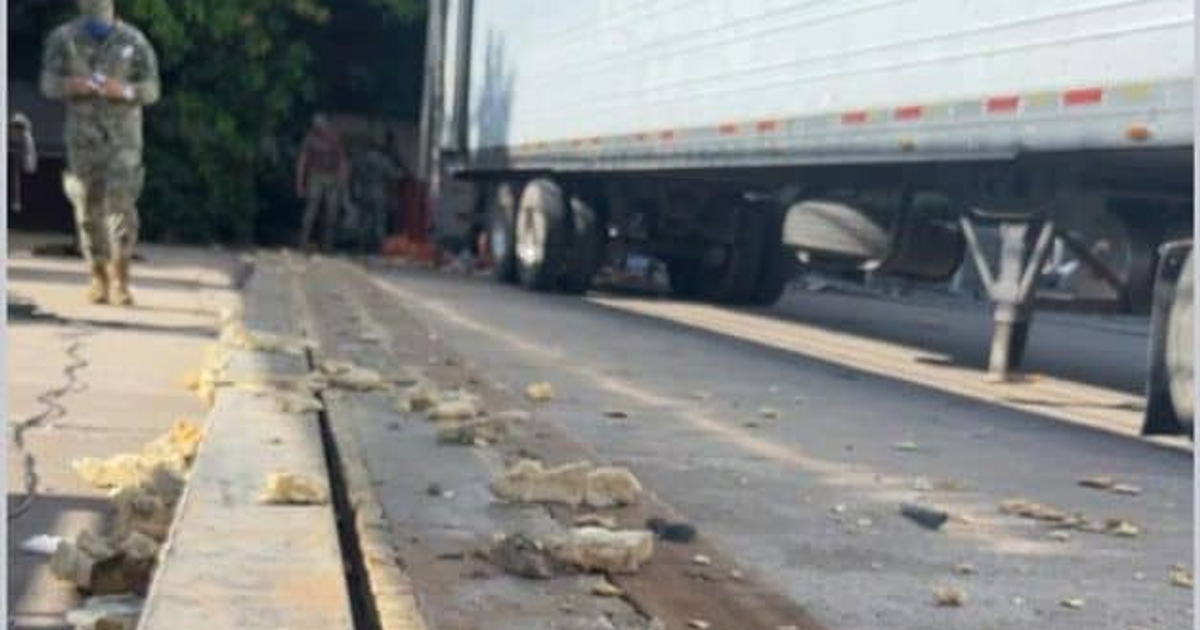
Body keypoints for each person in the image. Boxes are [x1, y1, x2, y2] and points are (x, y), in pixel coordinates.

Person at [40, 0, 160, 305]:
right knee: (87, 207)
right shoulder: (63, 39)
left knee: (121, 204)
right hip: (83, 139)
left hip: (124, 140)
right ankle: (98, 275)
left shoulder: (134, 41)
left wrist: (126, 90)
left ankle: (121, 278)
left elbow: (152, 89)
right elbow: (47, 84)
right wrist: (71, 85)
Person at [295, 114, 350, 252]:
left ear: (326, 125)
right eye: (317, 126)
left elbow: (342, 160)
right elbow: (302, 162)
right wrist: (299, 183)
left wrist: (343, 180)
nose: (320, 128)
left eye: (322, 125)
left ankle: (327, 244)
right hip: (315, 176)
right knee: (311, 209)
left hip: (331, 178)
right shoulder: (309, 139)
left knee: (331, 212)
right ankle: (303, 242)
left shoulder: (334, 138)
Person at [353, 130, 407, 253]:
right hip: (379, 193)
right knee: (379, 222)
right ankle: (379, 248)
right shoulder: (382, 159)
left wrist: (354, 192)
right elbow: (394, 175)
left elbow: (354, 176)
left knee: (363, 221)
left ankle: (360, 246)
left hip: (364, 192)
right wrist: (402, 173)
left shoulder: (360, 159)